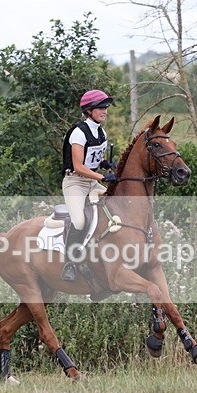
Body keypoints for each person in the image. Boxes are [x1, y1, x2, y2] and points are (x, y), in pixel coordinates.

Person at [60, 89, 118, 282]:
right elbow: (78, 166)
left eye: (106, 107)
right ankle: (70, 262)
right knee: (79, 221)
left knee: (118, 203)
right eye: (101, 107)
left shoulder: (101, 132)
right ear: (89, 110)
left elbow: (92, 159)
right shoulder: (78, 133)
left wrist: (105, 164)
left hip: (92, 181)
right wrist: (102, 176)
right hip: (75, 182)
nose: (105, 111)